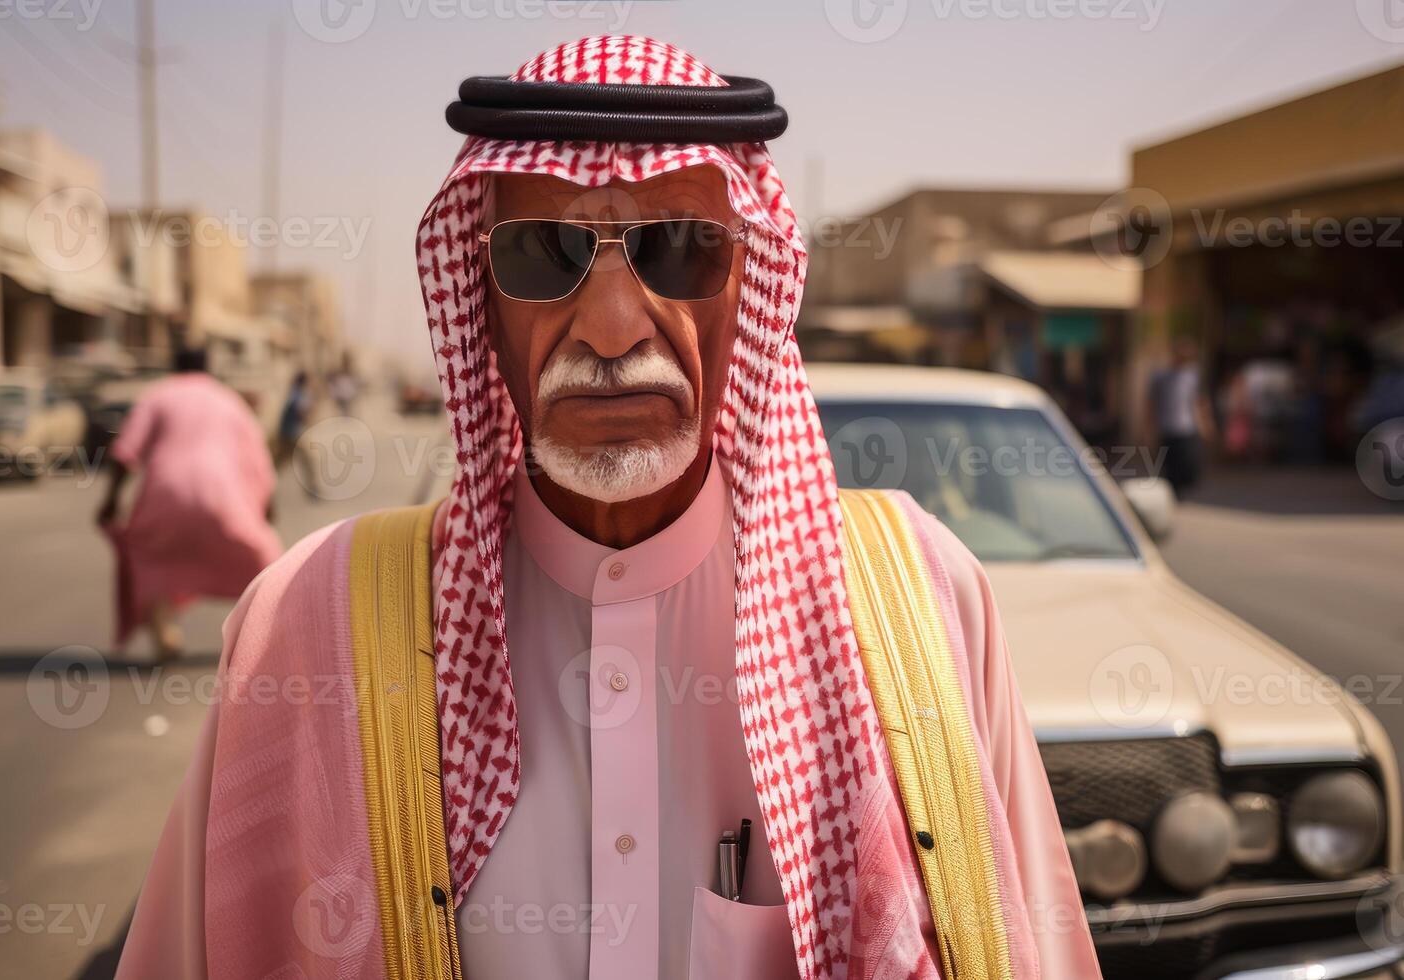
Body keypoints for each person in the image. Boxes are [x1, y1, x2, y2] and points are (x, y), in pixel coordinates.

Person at [116, 37, 1099, 980]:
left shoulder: (923, 602)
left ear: (750, 280)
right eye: (545, 252)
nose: (614, 324)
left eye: (679, 247)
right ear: (480, 299)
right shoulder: (304, 622)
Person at [96, 346, 281, 662]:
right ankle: (267, 633)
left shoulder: (157, 395)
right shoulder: (228, 400)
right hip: (222, 496)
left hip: (164, 493)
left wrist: (111, 500)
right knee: (265, 562)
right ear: (208, 367)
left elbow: (125, 452)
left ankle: (164, 631)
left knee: (150, 559)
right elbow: (258, 458)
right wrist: (266, 506)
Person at [1147, 336, 1214, 496]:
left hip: (1187, 428)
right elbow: (1150, 404)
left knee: (1187, 465)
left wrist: (1206, 425)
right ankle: (1173, 494)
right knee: (1169, 468)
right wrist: (1148, 429)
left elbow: (1200, 402)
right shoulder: (1161, 377)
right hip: (1167, 428)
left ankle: (1181, 491)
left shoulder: (1193, 377)